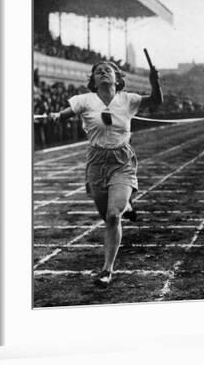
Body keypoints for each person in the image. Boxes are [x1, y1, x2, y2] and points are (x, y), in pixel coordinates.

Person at [52, 61, 162, 287]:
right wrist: (56, 116)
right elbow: (64, 114)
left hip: (121, 161)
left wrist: (154, 81)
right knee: (107, 215)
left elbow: (156, 101)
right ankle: (128, 206)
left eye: (107, 70)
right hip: (96, 163)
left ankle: (106, 269)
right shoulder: (84, 100)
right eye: (98, 71)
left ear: (117, 78)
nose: (102, 72)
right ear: (93, 80)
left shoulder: (128, 100)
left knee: (113, 216)